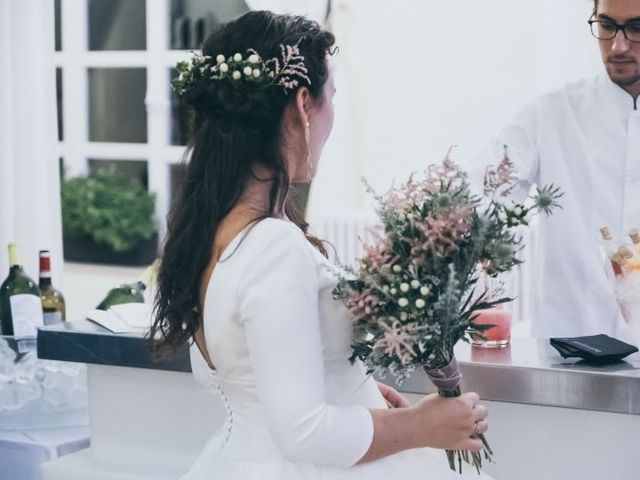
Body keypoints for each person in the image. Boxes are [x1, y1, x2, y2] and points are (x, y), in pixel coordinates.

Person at [151, 10, 491, 480]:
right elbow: (304, 432)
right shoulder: (273, 246)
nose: (332, 115)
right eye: (331, 98)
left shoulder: (211, 235)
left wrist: (363, 400)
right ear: (303, 105)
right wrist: (422, 425)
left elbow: (253, 377)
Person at [471, 0, 640, 340]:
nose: (618, 45)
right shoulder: (550, 115)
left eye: (636, 29)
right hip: (571, 349)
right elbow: (479, 196)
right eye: (606, 25)